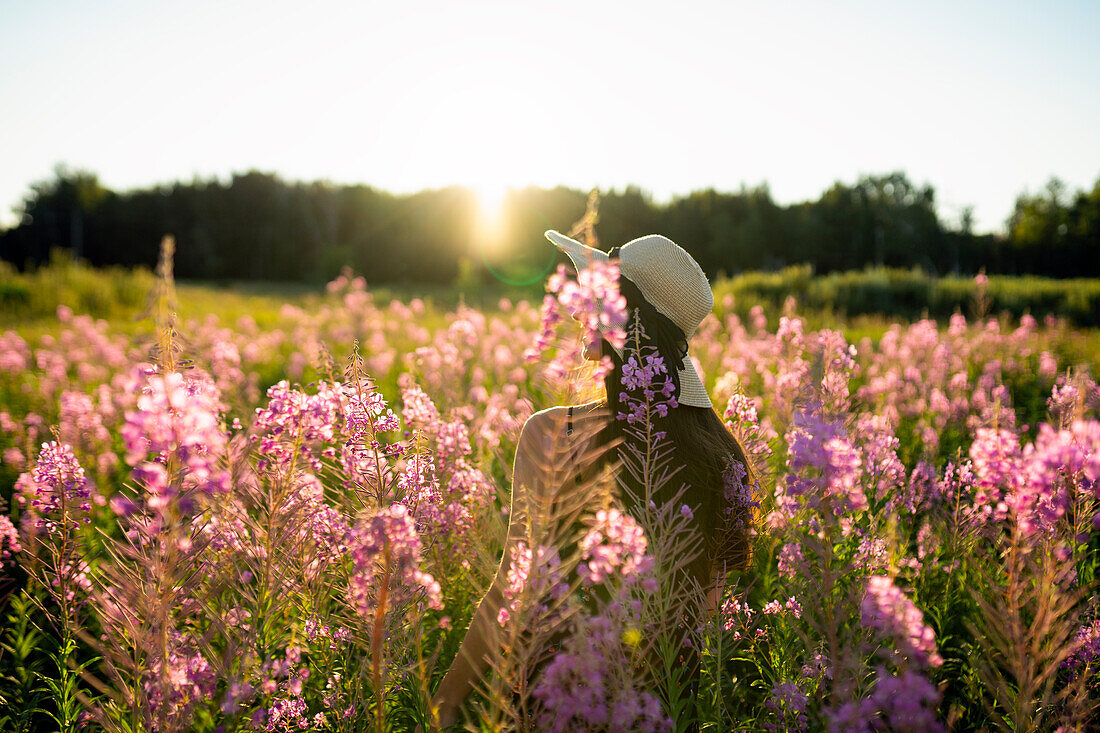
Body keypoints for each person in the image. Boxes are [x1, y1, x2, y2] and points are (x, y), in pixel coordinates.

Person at [427, 231, 758, 730]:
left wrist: (446, 703)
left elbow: (513, 588)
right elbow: (708, 618)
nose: (580, 309)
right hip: (665, 712)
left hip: (555, 702)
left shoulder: (551, 435)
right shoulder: (721, 456)